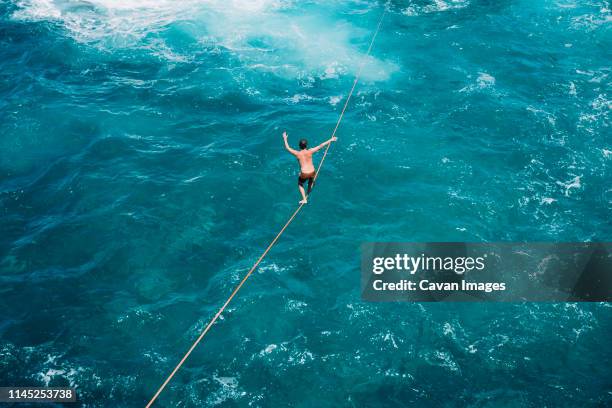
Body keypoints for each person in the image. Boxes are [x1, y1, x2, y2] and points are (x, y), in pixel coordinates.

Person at [282, 131, 337, 204]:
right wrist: (331, 139)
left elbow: (287, 147)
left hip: (304, 173)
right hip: (312, 171)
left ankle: (304, 199)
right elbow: (321, 145)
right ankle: (308, 192)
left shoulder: (297, 153)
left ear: (299, 146)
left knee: (300, 184)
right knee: (311, 181)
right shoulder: (310, 151)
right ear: (306, 145)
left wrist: (285, 138)